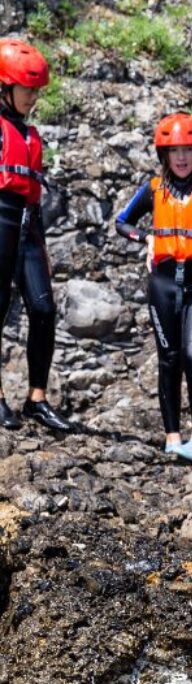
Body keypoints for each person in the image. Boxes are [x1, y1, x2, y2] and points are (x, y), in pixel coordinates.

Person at [115, 113, 192, 461]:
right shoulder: (153, 189)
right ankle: (171, 436)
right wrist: (145, 237)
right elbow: (122, 223)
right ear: (163, 154)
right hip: (163, 283)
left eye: (188, 150)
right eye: (174, 151)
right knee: (169, 358)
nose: (181, 158)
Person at [0, 39, 70, 432]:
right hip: (0, 218)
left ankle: (36, 399)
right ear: (4, 88)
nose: (32, 97)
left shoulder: (29, 134)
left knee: (43, 308)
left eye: (36, 90)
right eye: (26, 89)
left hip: (28, 223)